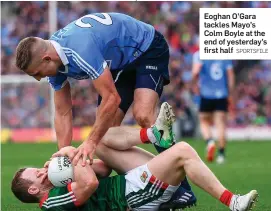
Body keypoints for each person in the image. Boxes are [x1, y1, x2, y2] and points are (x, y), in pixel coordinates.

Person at [15, 13, 196, 205]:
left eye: (36, 73)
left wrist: (90, 142)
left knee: (143, 116)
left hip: (146, 48)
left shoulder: (79, 50)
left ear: (46, 59)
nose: (37, 79)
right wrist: (66, 161)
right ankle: (143, 191)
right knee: (108, 136)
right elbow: (62, 112)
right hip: (117, 63)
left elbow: (112, 98)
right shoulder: (54, 62)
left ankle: (182, 189)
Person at [11, 103, 258, 211]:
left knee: (99, 138)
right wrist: (68, 154)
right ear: (33, 190)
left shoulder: (59, 182)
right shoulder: (51, 202)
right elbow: (90, 183)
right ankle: (232, 202)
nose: (42, 170)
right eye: (37, 174)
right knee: (183, 151)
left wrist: (78, 154)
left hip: (130, 183)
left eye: (38, 169)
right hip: (133, 198)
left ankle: (154, 134)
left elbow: (102, 170)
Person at [192, 51, 235, 164]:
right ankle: (221, 155)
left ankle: (210, 142)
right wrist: (230, 93)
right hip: (222, 95)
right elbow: (230, 76)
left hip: (206, 95)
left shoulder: (199, 54)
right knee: (220, 124)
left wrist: (195, 85)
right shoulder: (224, 55)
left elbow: (195, 72)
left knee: (204, 121)